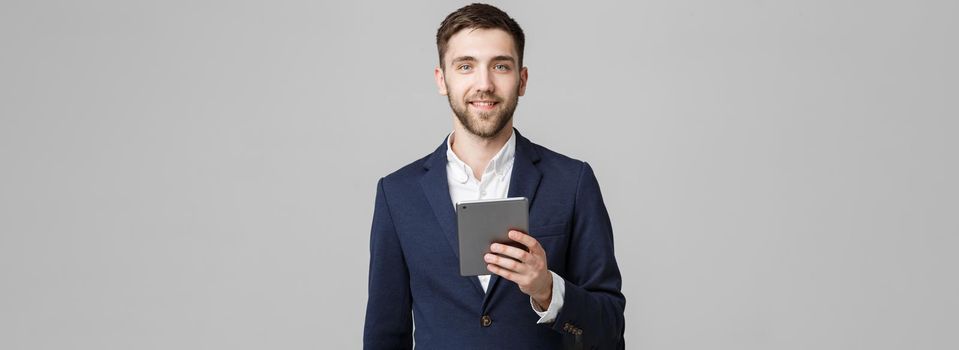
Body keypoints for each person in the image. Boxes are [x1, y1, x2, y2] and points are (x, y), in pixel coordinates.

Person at [363, 3, 625, 349]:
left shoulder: (572, 182)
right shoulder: (398, 193)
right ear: (442, 79)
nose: (484, 84)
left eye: (500, 66)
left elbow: (610, 328)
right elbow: (384, 335)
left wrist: (547, 290)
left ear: (522, 80)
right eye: (466, 66)